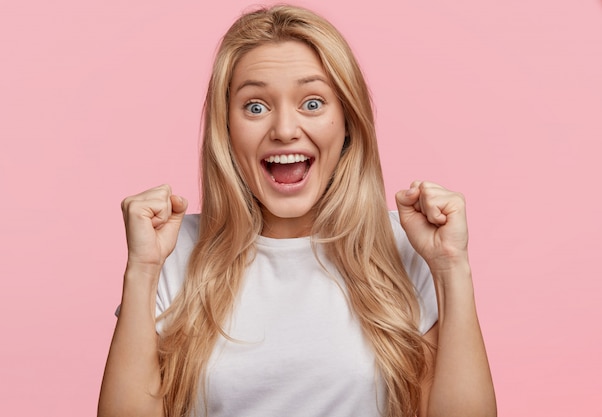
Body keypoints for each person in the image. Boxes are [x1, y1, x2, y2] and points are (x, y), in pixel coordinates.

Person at [98, 5, 496, 417]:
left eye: (312, 103)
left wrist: (451, 267)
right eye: (255, 106)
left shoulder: (405, 248)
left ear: (347, 124)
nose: (285, 129)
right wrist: (142, 268)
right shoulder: (172, 251)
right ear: (226, 129)